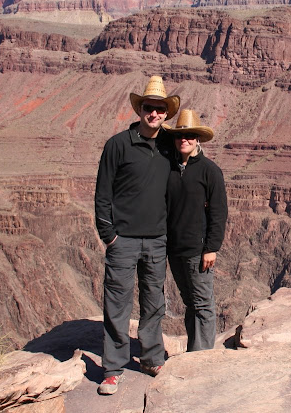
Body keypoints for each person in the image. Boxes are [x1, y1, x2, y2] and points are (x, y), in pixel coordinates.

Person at [94, 76, 180, 395]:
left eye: (159, 109)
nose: (154, 114)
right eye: (149, 107)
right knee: (117, 302)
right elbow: (103, 193)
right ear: (139, 109)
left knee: (154, 300)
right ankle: (113, 369)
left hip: (157, 239)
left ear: (166, 113)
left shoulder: (170, 146)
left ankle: (150, 357)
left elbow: (189, 181)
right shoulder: (118, 145)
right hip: (124, 240)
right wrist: (110, 235)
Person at [164, 109, 228, 352]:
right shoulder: (168, 169)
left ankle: (202, 358)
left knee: (202, 304)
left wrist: (212, 247)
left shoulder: (209, 171)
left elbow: (219, 211)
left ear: (197, 139)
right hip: (174, 249)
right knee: (190, 302)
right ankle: (195, 350)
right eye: (180, 135)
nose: (185, 140)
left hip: (198, 249)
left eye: (190, 135)